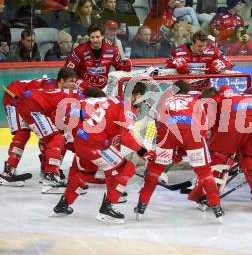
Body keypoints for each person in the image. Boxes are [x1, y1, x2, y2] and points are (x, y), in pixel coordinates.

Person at [53, 82, 154, 223]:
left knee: (85, 172)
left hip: (79, 139)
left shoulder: (110, 100)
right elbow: (126, 138)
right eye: (141, 99)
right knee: (125, 168)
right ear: (136, 96)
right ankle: (107, 208)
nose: (141, 104)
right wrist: (144, 152)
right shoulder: (127, 109)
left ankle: (64, 204)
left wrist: (77, 131)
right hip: (94, 142)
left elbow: (77, 106)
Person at [135, 80, 224, 221]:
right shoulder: (196, 101)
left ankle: (141, 205)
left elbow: (157, 124)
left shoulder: (163, 100)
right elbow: (204, 129)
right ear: (188, 91)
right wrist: (183, 152)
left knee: (154, 171)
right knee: (205, 172)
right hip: (192, 134)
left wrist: (171, 151)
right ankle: (216, 206)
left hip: (167, 133)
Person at [0, 67, 76, 186]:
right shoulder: (50, 89)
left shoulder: (57, 91)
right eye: (71, 81)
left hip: (25, 101)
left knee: (48, 133)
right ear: (61, 80)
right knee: (23, 133)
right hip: (13, 98)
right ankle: (8, 171)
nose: (74, 84)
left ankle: (46, 170)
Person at [16, 77, 82, 193]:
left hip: (29, 104)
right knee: (56, 137)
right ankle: (50, 177)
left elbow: (55, 115)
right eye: (71, 81)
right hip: (32, 106)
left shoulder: (72, 95)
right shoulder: (75, 100)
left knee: (51, 137)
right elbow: (60, 119)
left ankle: (47, 172)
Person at [65, 24, 132, 89]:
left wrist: (126, 65)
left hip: (104, 89)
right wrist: (79, 83)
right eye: (92, 37)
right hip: (83, 89)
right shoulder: (79, 50)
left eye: (97, 37)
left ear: (102, 36)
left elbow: (121, 68)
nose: (95, 40)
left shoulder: (112, 50)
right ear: (89, 37)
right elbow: (67, 72)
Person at [165, 31, 232, 74]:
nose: (202, 49)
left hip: (204, 90)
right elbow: (167, 67)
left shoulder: (213, 51)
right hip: (183, 88)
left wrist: (221, 64)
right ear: (192, 43)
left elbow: (229, 63)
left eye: (204, 45)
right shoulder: (178, 52)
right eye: (199, 46)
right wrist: (176, 62)